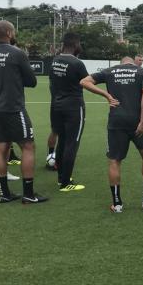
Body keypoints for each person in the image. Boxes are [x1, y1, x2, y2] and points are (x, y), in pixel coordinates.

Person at [80, 57, 143, 213]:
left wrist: (107, 95)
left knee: (115, 161)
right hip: (137, 121)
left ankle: (117, 205)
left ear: (122, 63)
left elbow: (84, 81)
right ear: (132, 63)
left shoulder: (110, 71)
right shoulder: (142, 72)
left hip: (116, 121)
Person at [0, 21, 47, 204]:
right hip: (13, 108)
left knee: (0, 149)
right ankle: (28, 194)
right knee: (28, 146)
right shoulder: (17, 53)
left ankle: (4, 193)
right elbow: (32, 81)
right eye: (13, 31)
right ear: (8, 32)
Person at [49, 32, 88, 192]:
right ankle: (66, 183)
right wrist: (107, 94)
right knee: (72, 143)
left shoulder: (55, 60)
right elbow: (88, 82)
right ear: (75, 44)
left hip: (56, 105)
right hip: (73, 107)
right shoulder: (77, 63)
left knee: (63, 141)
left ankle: (61, 179)